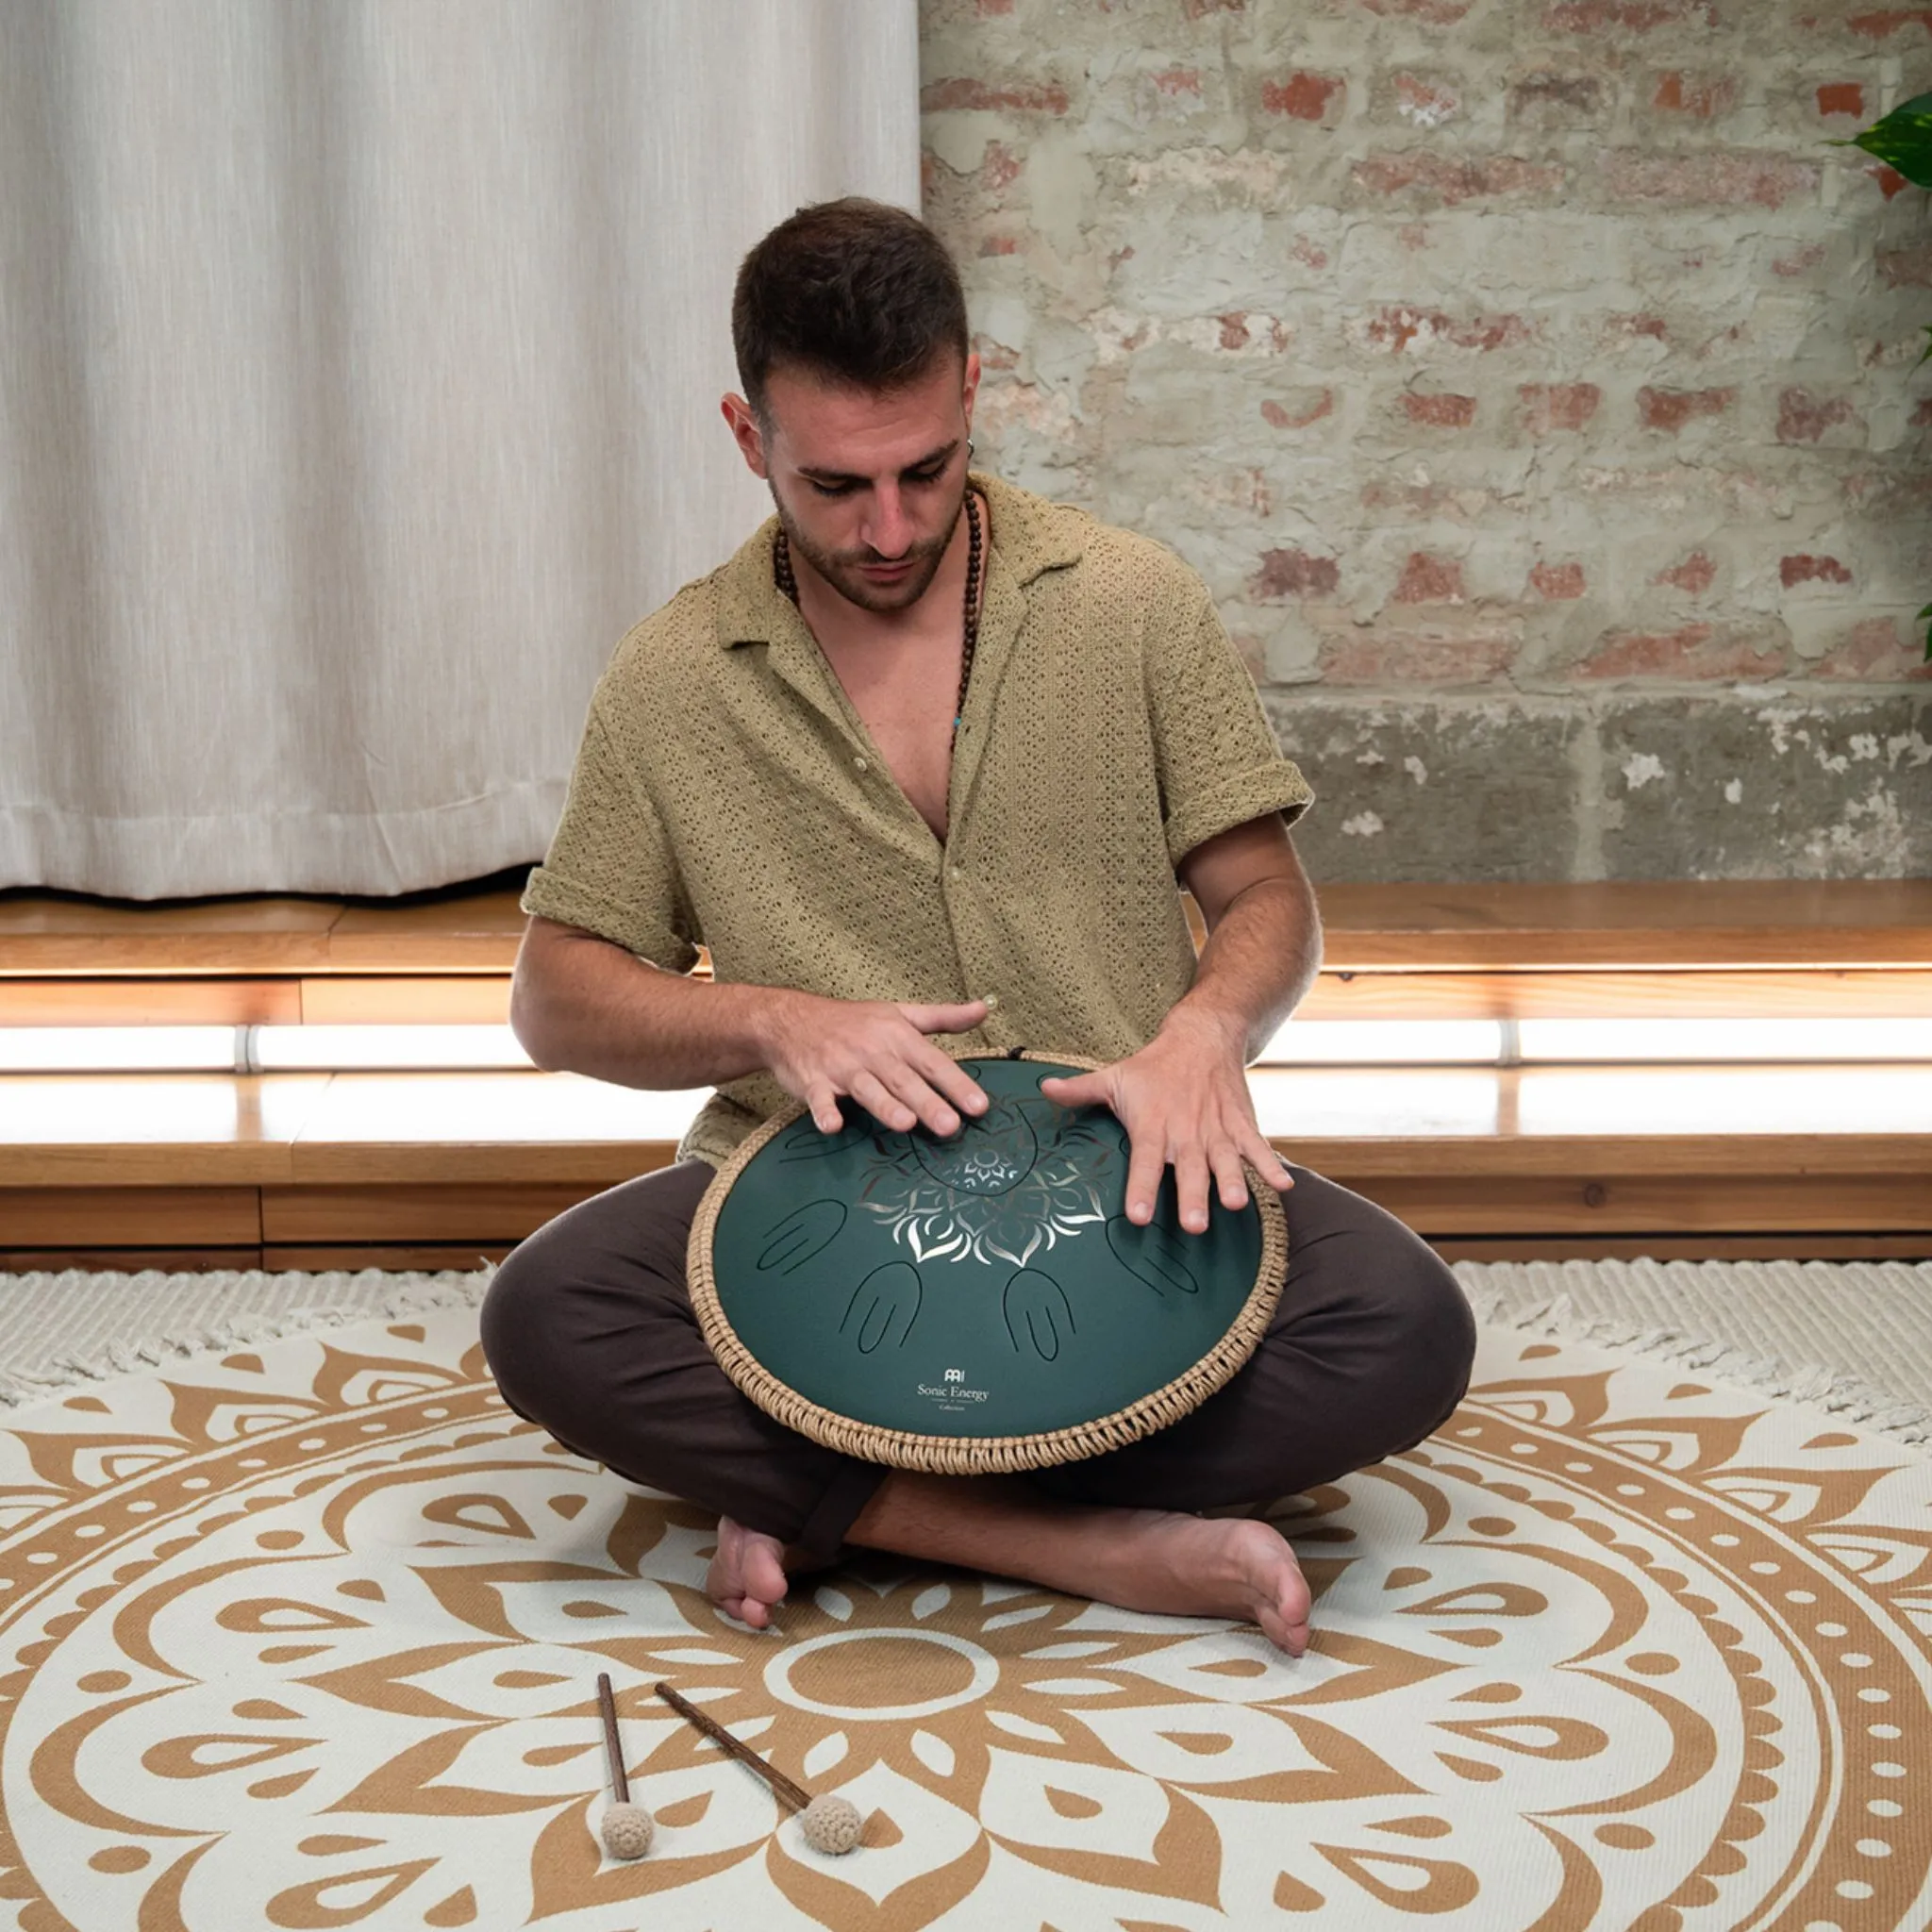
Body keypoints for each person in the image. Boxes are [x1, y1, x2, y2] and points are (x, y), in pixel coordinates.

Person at [480, 198, 1474, 1657]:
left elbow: (1267, 899)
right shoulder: (674, 676)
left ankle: (832, 1494)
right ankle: (1100, 1542)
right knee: (550, 1315)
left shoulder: (1133, 601)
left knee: (1407, 1326)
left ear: (972, 392)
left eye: (926, 470)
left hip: (1122, 1187)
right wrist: (770, 1019)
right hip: (809, 1210)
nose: (888, 528)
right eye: (834, 485)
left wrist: (1207, 1033)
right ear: (748, 438)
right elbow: (552, 997)